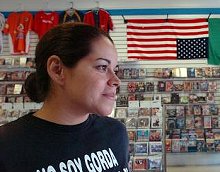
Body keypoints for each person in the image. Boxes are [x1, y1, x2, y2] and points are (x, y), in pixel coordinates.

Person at [0, 22, 129, 172]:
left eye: (115, 69)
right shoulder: (7, 146)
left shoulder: (115, 133)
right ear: (57, 70)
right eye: (102, 67)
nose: (116, 81)